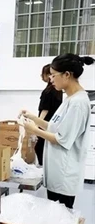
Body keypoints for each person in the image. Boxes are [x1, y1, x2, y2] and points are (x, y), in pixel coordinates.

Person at [20, 53, 93, 209]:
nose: (50, 79)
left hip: (64, 175)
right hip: (57, 173)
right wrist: (34, 118)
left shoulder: (78, 103)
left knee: (61, 219)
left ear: (67, 75)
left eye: (53, 75)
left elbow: (61, 139)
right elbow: (55, 127)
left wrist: (34, 130)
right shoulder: (69, 99)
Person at [34, 64, 63, 165]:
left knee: (39, 147)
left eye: (43, 74)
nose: (41, 76)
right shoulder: (57, 91)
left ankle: (43, 170)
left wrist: (36, 126)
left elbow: (44, 110)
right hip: (54, 123)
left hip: (46, 123)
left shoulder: (48, 91)